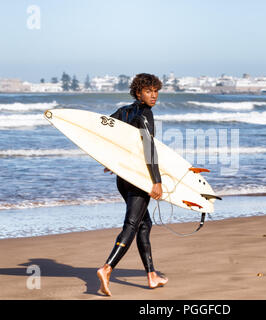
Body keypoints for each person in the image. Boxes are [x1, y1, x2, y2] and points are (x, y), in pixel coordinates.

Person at [97, 73, 168, 296]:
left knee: (144, 225)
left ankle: (151, 275)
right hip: (139, 178)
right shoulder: (145, 114)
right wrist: (156, 181)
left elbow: (103, 131)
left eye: (156, 91)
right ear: (139, 92)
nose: (154, 95)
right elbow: (149, 149)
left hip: (123, 178)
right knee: (131, 224)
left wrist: (113, 160)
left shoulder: (124, 111)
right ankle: (107, 267)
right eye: (149, 91)